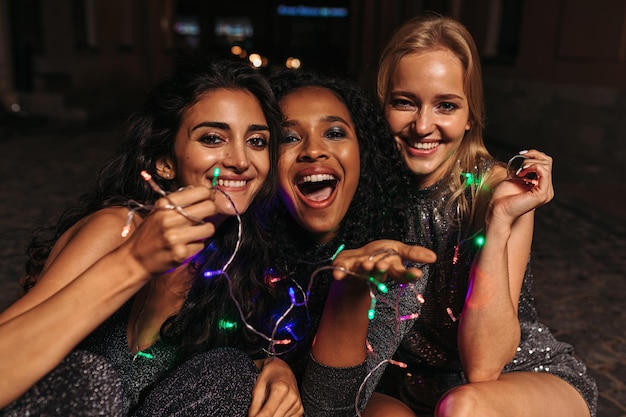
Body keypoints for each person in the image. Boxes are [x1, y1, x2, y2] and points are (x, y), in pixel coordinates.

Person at [309, 14, 597, 417]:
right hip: (404, 383)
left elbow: (482, 367)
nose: (423, 126)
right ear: (381, 106)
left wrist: (497, 225)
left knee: (462, 407)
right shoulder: (364, 183)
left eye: (445, 105)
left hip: (511, 380)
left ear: (470, 117)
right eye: (405, 102)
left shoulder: (496, 190)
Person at [0, 59, 302, 416]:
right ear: (165, 163)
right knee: (90, 378)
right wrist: (133, 262)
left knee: (229, 371)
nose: (239, 159)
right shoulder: (118, 229)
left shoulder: (233, 257)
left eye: (256, 141)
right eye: (212, 138)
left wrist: (276, 369)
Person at [139, 69, 435, 416]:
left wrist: (349, 291)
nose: (313, 150)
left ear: (362, 154)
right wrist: (267, 365)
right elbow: (193, 377)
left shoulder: (393, 265)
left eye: (335, 132)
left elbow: (331, 412)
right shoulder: (231, 240)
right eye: (290, 138)